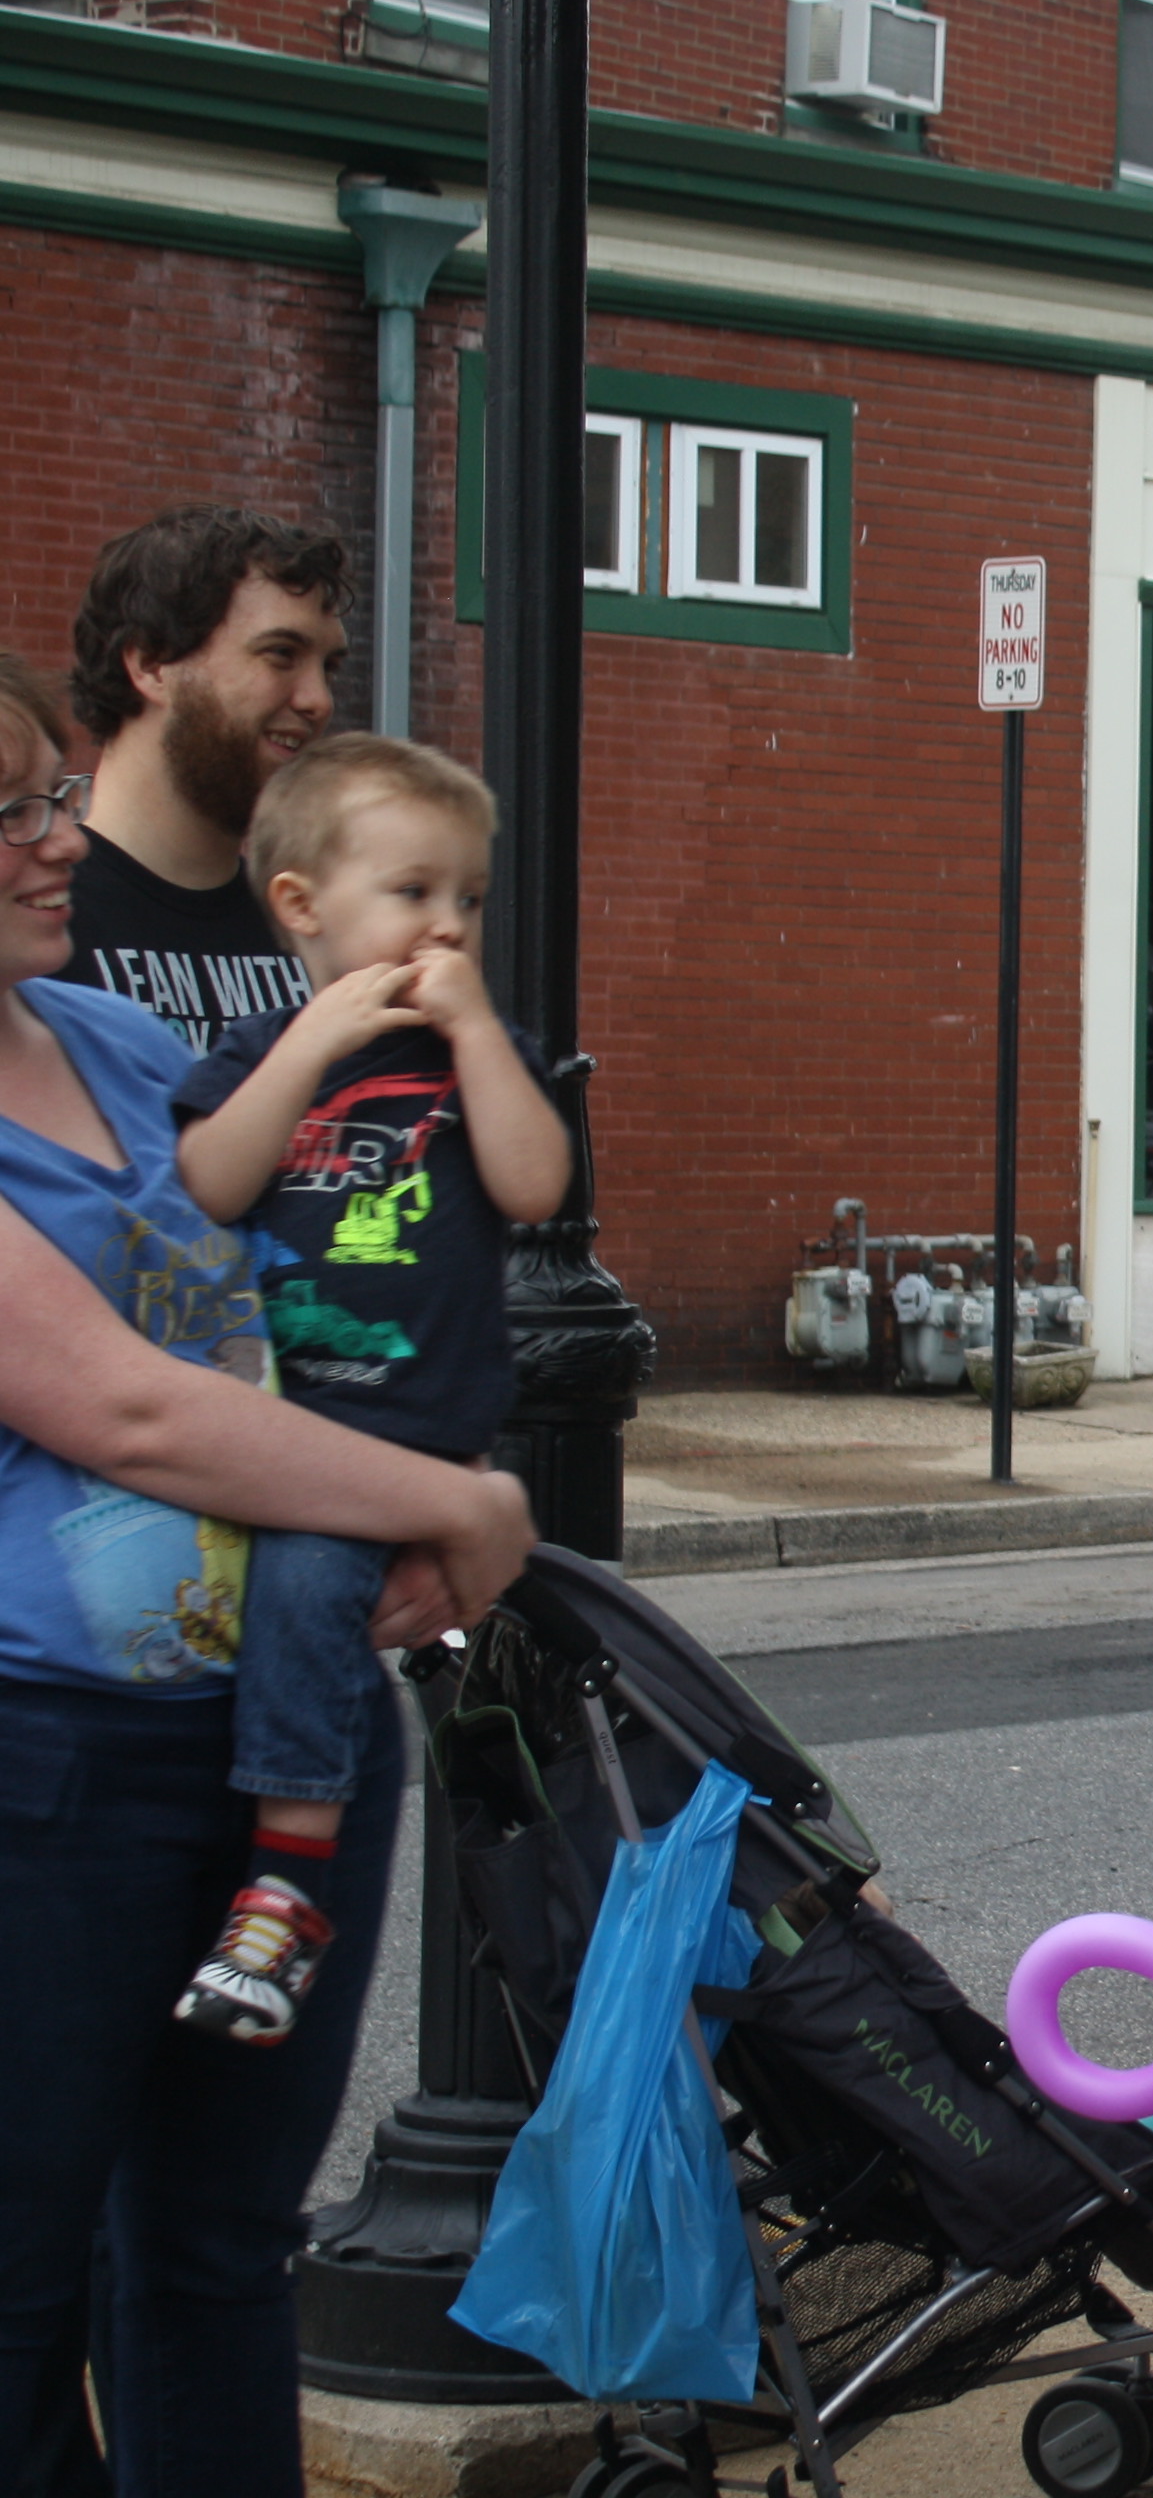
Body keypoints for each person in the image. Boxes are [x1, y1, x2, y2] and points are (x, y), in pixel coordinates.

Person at [0, 651, 533, 2491]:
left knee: (223, 2252)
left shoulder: (122, 1044)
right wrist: (455, 1507)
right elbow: (123, 1409)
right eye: (16, 809)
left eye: (53, 795)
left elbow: (322, 1296)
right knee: (21, 2278)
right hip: (49, 1759)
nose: (63, 837)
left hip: (277, 1731)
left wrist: (430, 1476)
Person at [164, 734, 567, 2045]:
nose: (447, 923)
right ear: (300, 907)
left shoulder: (470, 1051)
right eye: (412, 893)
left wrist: (475, 1036)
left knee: (307, 1585)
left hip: (404, 1427)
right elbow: (212, 1179)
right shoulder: (266, 1044)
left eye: (466, 897)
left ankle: (287, 1888)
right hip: (291, 1413)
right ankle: (269, 1877)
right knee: (289, 1606)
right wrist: (307, 1045)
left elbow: (533, 1184)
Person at [59, 506, 346, 1052]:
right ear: (150, 664)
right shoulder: (37, 920)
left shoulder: (316, 928)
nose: (318, 701)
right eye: (281, 654)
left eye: (328, 668)